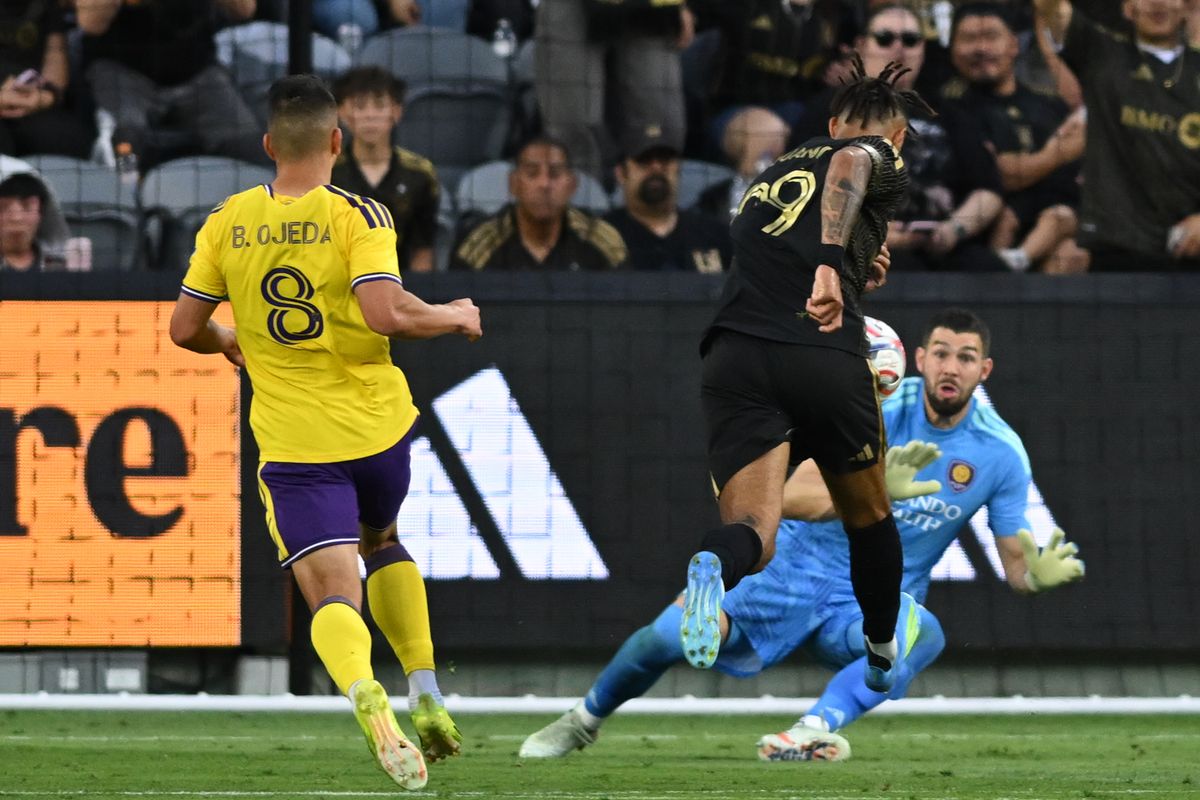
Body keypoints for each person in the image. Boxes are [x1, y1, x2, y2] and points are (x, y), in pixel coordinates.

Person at [520, 308, 1086, 762]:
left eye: (966, 358)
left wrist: (1034, 577)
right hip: (788, 571)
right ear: (918, 358)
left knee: (921, 634)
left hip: (864, 601)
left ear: (984, 370)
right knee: (666, 640)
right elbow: (787, 498)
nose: (950, 367)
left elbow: (1015, 564)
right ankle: (582, 721)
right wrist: (873, 488)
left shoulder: (1002, 452)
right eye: (940, 352)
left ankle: (811, 730)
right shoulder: (876, 408)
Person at [168, 75, 481, 790]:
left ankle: (364, 696)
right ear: (338, 141)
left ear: (269, 145)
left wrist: (226, 339)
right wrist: (454, 315)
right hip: (377, 431)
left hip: (297, 446)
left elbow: (184, 329)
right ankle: (425, 686)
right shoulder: (359, 213)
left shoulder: (226, 219)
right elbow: (386, 313)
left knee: (335, 597)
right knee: (384, 540)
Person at [680, 56, 932, 698]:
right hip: (818, 351)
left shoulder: (771, 174)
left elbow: (786, 237)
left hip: (733, 356)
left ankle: (712, 563)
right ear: (894, 137)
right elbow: (851, 164)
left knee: (755, 536)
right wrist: (830, 266)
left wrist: (852, 259)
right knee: (869, 515)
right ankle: (879, 650)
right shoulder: (874, 151)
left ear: (827, 121)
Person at [793, 4, 1008, 273]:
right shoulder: (828, 109)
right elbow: (799, 188)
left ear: (923, 50)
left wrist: (953, 229)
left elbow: (988, 189)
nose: (899, 48)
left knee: (990, 269)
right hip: (852, 249)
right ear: (861, 45)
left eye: (910, 40)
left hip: (940, 249)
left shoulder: (949, 113)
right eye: (885, 39)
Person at [1035, 0, 1200, 270]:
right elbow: (1050, 6)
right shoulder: (1100, 53)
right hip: (1116, 250)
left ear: (1186, 6)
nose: (1157, 3)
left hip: (1188, 250)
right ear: (1127, 8)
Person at [941, 3, 1083, 274]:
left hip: (1053, 226)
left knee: (1073, 253)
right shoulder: (948, 108)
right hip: (975, 245)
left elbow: (1074, 176)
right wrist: (1057, 154)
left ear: (1014, 45)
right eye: (969, 39)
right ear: (953, 49)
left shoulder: (1050, 106)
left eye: (991, 37)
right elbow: (1002, 175)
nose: (981, 48)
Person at [77, 0, 268, 169]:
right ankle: (124, 198)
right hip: (122, 70)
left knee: (248, 143)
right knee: (126, 136)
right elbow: (90, 23)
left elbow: (245, 9)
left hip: (196, 70)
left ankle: (266, 205)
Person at [534, 0, 690, 179]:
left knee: (660, 133)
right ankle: (581, 203)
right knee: (572, 132)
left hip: (652, 11)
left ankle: (655, 205)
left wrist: (683, 5)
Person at [450, 135, 627, 271]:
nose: (544, 184)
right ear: (514, 184)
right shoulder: (479, 244)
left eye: (555, 173)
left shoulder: (601, 239)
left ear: (572, 185)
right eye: (532, 173)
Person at [332, 67, 440, 274]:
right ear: (342, 113)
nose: (370, 115)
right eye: (359, 106)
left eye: (379, 105)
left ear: (396, 112)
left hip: (400, 284)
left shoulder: (420, 174)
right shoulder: (328, 171)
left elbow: (423, 249)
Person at [604, 126, 730, 272]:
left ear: (678, 169)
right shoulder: (600, 237)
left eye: (665, 160)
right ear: (621, 174)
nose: (656, 167)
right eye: (644, 160)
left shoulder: (715, 235)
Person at [0, 0, 93, 159]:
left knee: (72, 139)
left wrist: (47, 97)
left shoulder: (46, 5)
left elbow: (55, 59)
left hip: (29, 101)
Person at [0, 172, 64, 271]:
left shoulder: (59, 267)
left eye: (27, 207)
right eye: (4, 207)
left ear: (40, 214)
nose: (16, 218)